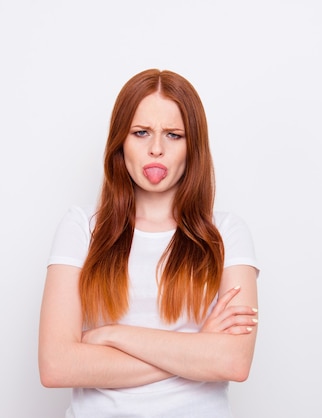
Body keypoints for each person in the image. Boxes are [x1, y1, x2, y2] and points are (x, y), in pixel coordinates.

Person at [38, 68, 260, 418]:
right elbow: (56, 365)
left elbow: (233, 361)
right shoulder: (81, 229)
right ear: (120, 142)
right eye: (141, 133)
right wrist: (197, 350)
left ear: (193, 146)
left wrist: (111, 335)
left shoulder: (227, 234)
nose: (156, 149)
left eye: (173, 135)